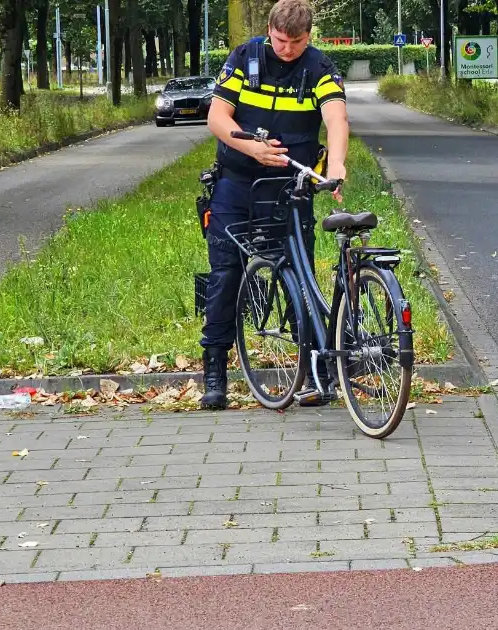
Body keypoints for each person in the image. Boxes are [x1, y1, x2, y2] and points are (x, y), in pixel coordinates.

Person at [198, 0, 349, 410]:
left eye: (296, 42)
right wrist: (251, 146)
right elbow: (218, 117)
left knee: (300, 275)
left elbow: (336, 118)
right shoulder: (244, 58)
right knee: (225, 274)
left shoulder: (319, 67)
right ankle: (215, 371)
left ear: (309, 36)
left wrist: (335, 165)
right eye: (281, 41)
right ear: (270, 31)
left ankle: (317, 370)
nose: (287, 50)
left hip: (290, 188)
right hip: (237, 185)